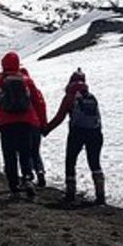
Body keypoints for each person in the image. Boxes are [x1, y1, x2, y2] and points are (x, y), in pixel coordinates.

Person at [0, 52, 47, 200]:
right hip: (26, 121)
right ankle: (28, 178)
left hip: (6, 122)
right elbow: (38, 102)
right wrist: (43, 122)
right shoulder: (26, 80)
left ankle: (14, 188)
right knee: (25, 152)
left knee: (9, 154)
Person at [43, 69, 106, 206]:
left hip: (77, 133)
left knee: (70, 161)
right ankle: (100, 195)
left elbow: (60, 117)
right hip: (95, 133)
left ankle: (70, 194)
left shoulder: (70, 96)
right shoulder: (90, 96)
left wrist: (46, 129)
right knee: (94, 162)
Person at [20, 66, 46, 189]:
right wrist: (43, 123)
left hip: (23, 124)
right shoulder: (35, 89)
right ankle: (40, 171)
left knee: (25, 150)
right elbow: (41, 106)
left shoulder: (18, 91)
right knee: (35, 150)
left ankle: (28, 176)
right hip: (36, 124)